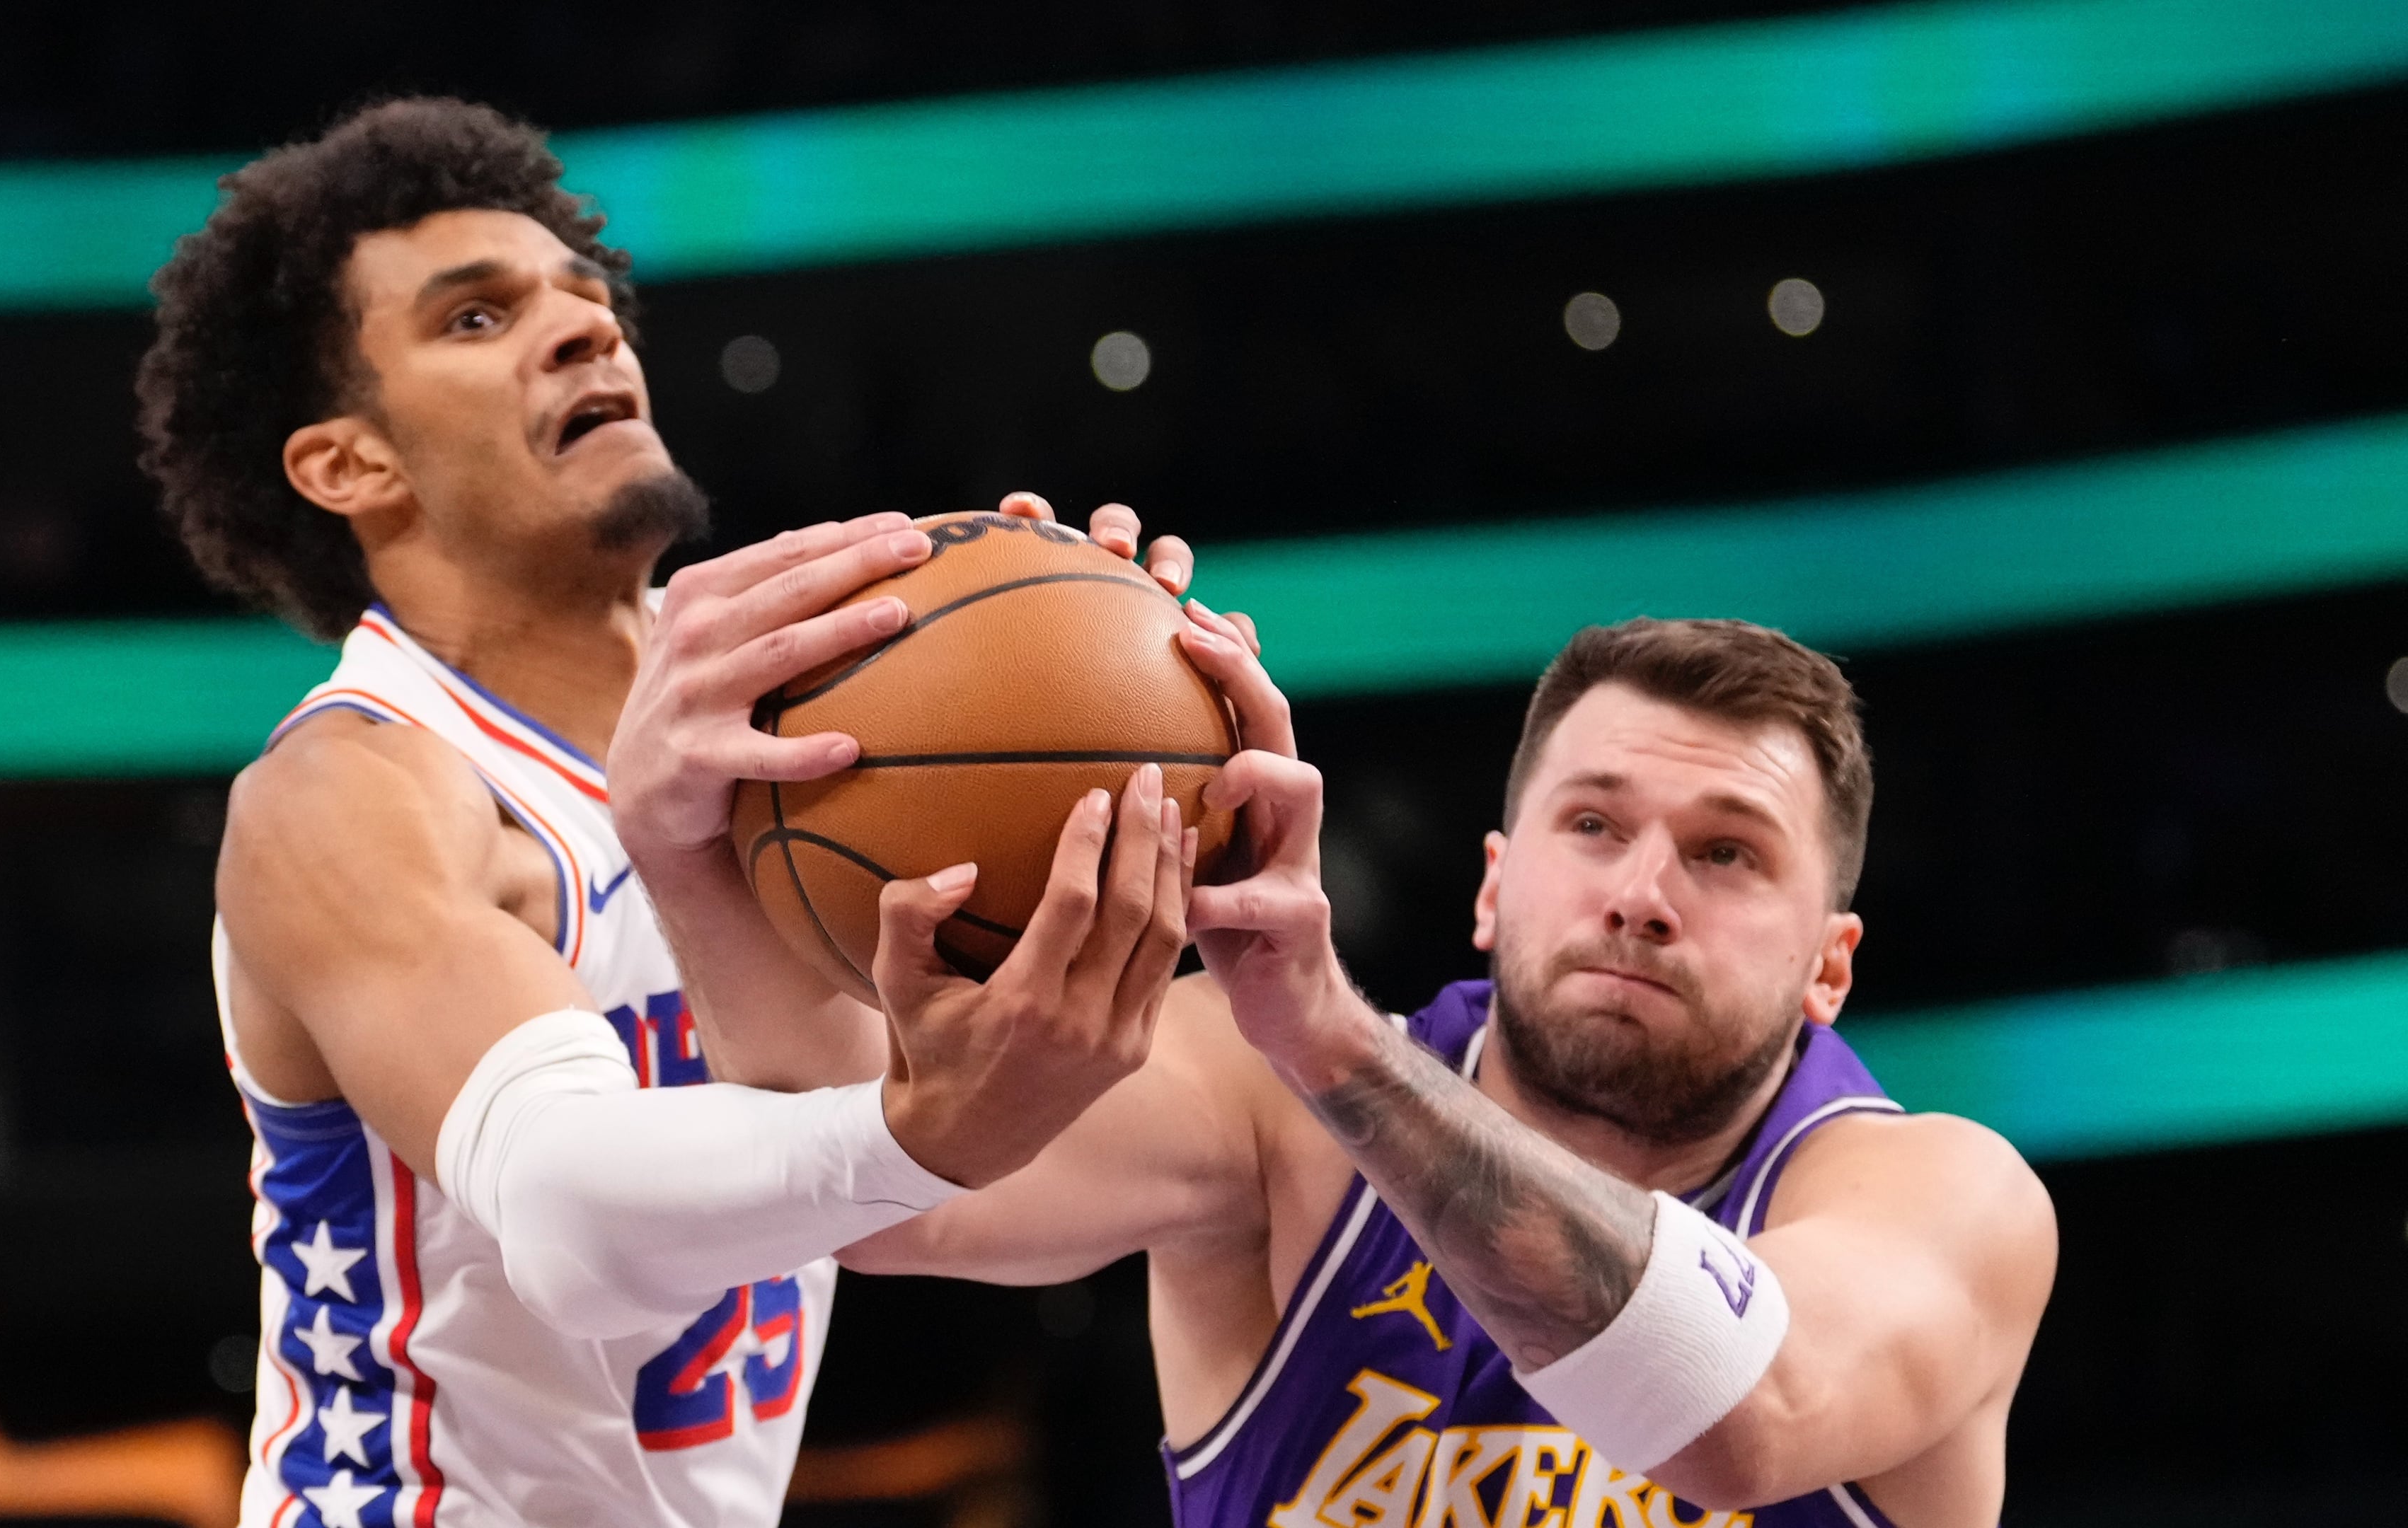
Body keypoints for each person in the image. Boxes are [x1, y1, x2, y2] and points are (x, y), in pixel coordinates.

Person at [136, 97, 1204, 1528]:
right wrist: (913, 1125)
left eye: (587, 301)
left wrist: (1152, 728)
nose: (587, 332)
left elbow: (957, 1188)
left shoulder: (812, 732)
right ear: (350, 463)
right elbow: (570, 1216)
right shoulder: (356, 792)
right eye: (475, 319)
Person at [622, 613, 2056, 1527]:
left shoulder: (1943, 1198)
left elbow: (1744, 1418)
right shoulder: (1261, 1111)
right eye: (1594, 826)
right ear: (1494, 890)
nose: (1641, 891)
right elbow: (874, 1192)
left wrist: (1336, 1043)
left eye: (1727, 853)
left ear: (1831, 965)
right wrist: (685, 848)